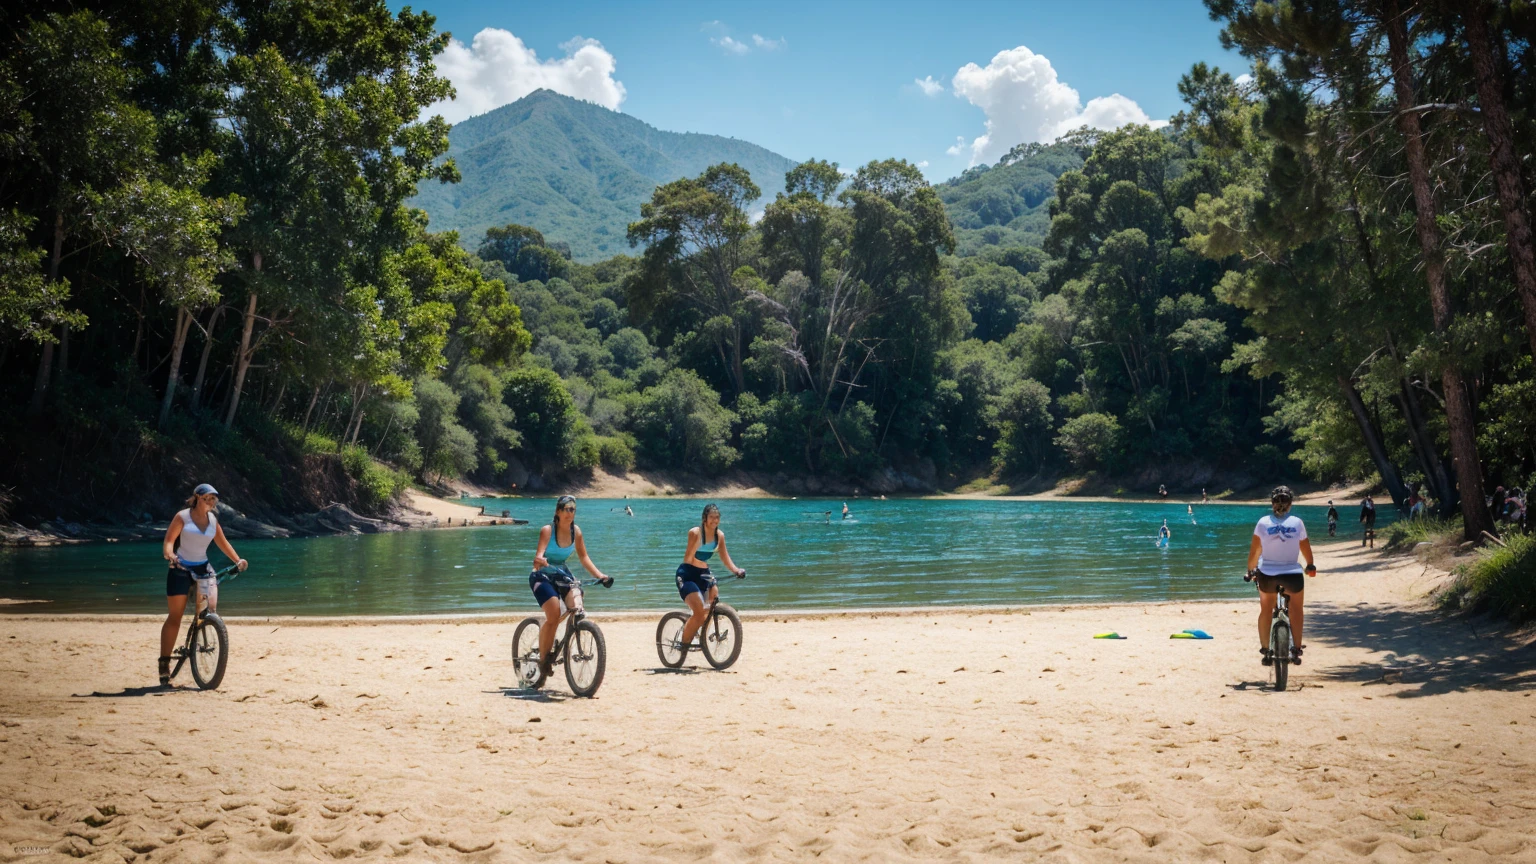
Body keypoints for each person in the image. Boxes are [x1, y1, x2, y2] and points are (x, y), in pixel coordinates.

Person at [160, 483, 247, 685]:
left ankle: (203, 629)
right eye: (207, 498)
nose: (210, 502)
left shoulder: (212, 520)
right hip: (180, 568)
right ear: (197, 497)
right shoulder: (183, 517)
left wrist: (237, 560)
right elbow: (169, 541)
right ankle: (164, 663)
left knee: (210, 611)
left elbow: (223, 543)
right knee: (175, 616)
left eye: (213, 499)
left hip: (203, 568)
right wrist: (170, 554)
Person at [529, 496, 612, 677]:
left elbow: (584, 557)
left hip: (562, 574)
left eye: (573, 509)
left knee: (577, 605)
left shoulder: (577, 532)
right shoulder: (547, 530)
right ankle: (543, 660)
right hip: (541, 575)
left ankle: (569, 633)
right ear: (558, 511)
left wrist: (600, 575)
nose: (570, 513)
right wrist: (541, 560)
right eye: (566, 509)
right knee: (553, 612)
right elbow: (538, 555)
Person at [1246, 485, 1318, 667]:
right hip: (1292, 576)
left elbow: (1254, 552)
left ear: (1272, 504)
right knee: (1296, 609)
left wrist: (1250, 570)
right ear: (1290, 504)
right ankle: (1297, 649)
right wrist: (1310, 566)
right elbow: (1305, 549)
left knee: (1265, 610)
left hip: (1267, 576)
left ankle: (1266, 650)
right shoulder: (1297, 522)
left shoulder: (1262, 523)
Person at [675, 504, 746, 652]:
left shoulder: (719, 536)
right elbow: (687, 558)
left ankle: (699, 630)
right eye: (712, 517)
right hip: (687, 574)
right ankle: (683, 644)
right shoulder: (695, 533)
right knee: (700, 611)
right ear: (704, 518)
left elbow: (724, 556)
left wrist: (736, 570)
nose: (715, 520)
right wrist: (697, 544)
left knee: (714, 597)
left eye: (717, 517)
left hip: (704, 573)